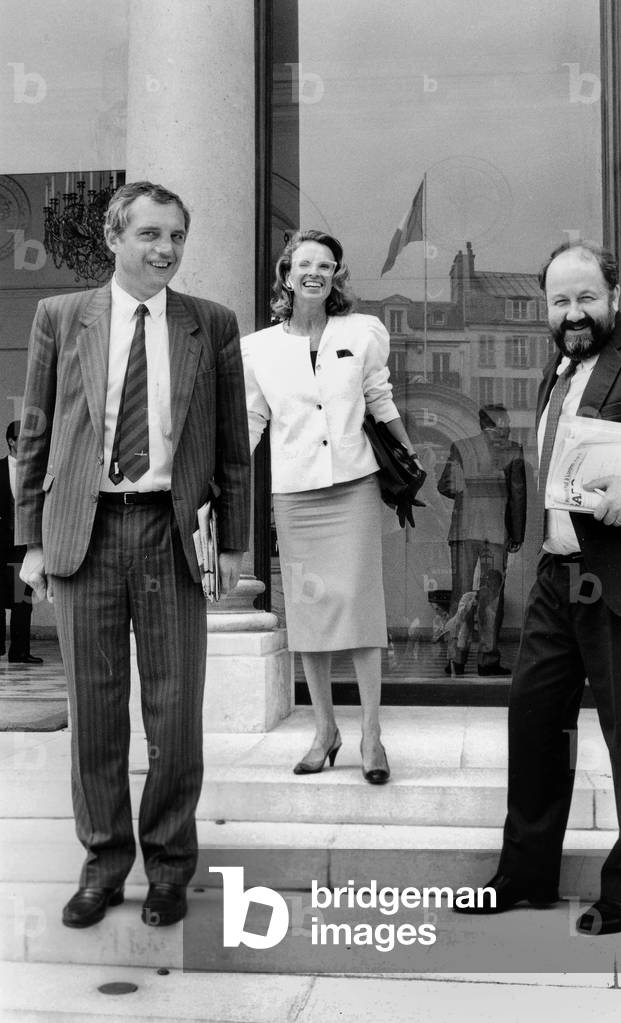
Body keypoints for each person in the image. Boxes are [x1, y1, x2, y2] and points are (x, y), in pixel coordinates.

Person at [15, 181, 250, 929]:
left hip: (171, 534)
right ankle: (103, 865)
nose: (166, 248)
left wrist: (234, 544)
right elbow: (35, 430)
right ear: (114, 237)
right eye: (150, 234)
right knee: (94, 711)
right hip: (84, 531)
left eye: (176, 235)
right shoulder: (61, 316)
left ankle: (171, 866)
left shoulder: (211, 323)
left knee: (175, 713)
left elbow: (233, 444)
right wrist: (30, 541)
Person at [455, 240, 621, 934]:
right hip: (557, 577)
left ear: (613, 296)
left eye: (586, 297)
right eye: (559, 300)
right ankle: (524, 877)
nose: (572, 312)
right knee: (535, 724)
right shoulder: (557, 370)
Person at [242, 229, 421, 785]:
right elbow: (252, 419)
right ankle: (324, 731)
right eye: (305, 264)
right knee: (309, 611)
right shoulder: (258, 348)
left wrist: (408, 452)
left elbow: (379, 397)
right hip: (295, 492)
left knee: (361, 607)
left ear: (336, 276)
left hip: (354, 484)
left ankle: (371, 734)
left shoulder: (362, 331)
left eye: (325, 264)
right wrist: (221, 478)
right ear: (287, 275)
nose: (314, 272)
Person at [437, 405, 526, 675]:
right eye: (506, 421)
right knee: (491, 597)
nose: (509, 426)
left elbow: (445, 486)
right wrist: (517, 534)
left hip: (463, 530)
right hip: (496, 533)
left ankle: (456, 658)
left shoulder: (461, 447)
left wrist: (468, 497)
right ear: (500, 422)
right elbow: (518, 496)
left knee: (460, 593)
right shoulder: (513, 451)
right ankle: (488, 659)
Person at [1, 421, 42, 664]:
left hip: (23, 547)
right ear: (12, 441)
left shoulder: (36, 471)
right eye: (23, 438)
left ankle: (20, 652)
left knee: (22, 599)